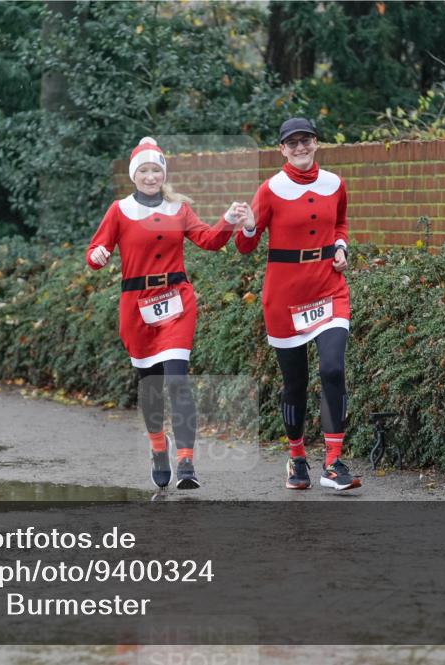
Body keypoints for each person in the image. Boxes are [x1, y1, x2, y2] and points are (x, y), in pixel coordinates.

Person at [86, 137, 248, 490]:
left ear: (163, 173)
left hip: (176, 299)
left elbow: (208, 240)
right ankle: (159, 449)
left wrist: (228, 219)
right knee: (151, 387)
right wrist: (97, 255)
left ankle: (186, 462)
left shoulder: (178, 210)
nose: (150, 176)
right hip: (136, 305)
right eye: (143, 170)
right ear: (134, 175)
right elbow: (97, 249)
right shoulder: (120, 210)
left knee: (177, 380)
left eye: (155, 170)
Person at [236, 118, 360, 491]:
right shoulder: (270, 190)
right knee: (295, 383)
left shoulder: (335, 184)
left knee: (334, 370)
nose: (301, 147)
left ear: (316, 143)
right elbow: (246, 246)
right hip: (285, 296)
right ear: (282, 149)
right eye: (293, 143)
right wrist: (245, 226)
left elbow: (340, 224)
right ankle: (296, 458)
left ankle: (334, 463)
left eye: (306, 140)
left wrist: (341, 247)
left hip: (328, 289)